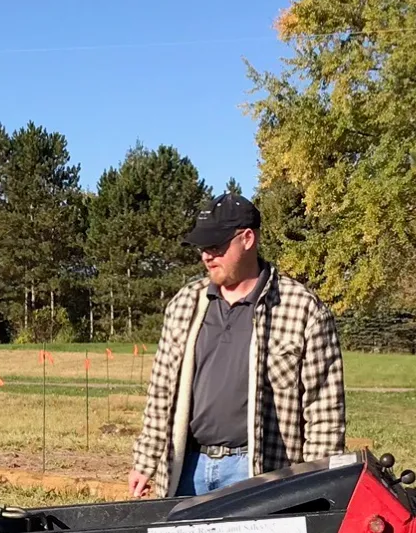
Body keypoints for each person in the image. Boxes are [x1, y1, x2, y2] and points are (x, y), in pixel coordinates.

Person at [128, 193, 346, 497]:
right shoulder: (184, 304)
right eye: (203, 248)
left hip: (262, 474)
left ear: (247, 239)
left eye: (216, 246)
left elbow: (323, 409)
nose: (206, 256)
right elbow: (162, 390)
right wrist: (146, 458)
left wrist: (317, 486)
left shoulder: (302, 309)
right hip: (187, 468)